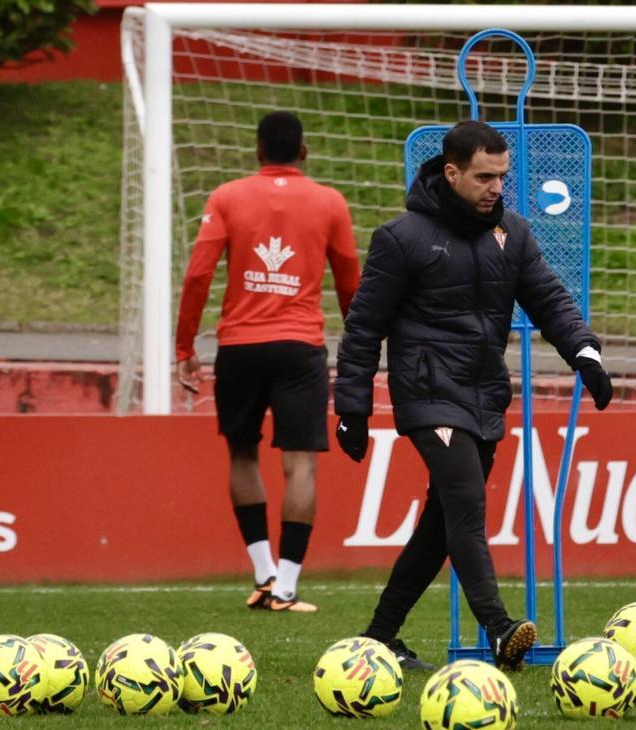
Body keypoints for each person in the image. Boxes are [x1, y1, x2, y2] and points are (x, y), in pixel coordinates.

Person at [333, 120, 613, 671]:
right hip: (427, 391)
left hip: (484, 395)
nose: (495, 188)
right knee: (465, 501)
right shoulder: (402, 238)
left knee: (441, 523)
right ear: (452, 171)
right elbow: (363, 328)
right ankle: (499, 627)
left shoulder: (514, 232)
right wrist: (352, 408)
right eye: (484, 177)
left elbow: (548, 298)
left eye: (502, 177)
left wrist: (584, 351)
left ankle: (380, 636)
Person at [175, 111, 360, 613]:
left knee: (242, 454)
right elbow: (349, 281)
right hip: (299, 347)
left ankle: (263, 574)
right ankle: (286, 588)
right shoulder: (329, 202)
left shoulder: (226, 197)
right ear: (303, 152)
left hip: (239, 346)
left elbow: (197, 275)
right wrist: (361, 345)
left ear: (257, 152)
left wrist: (184, 347)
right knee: (300, 464)